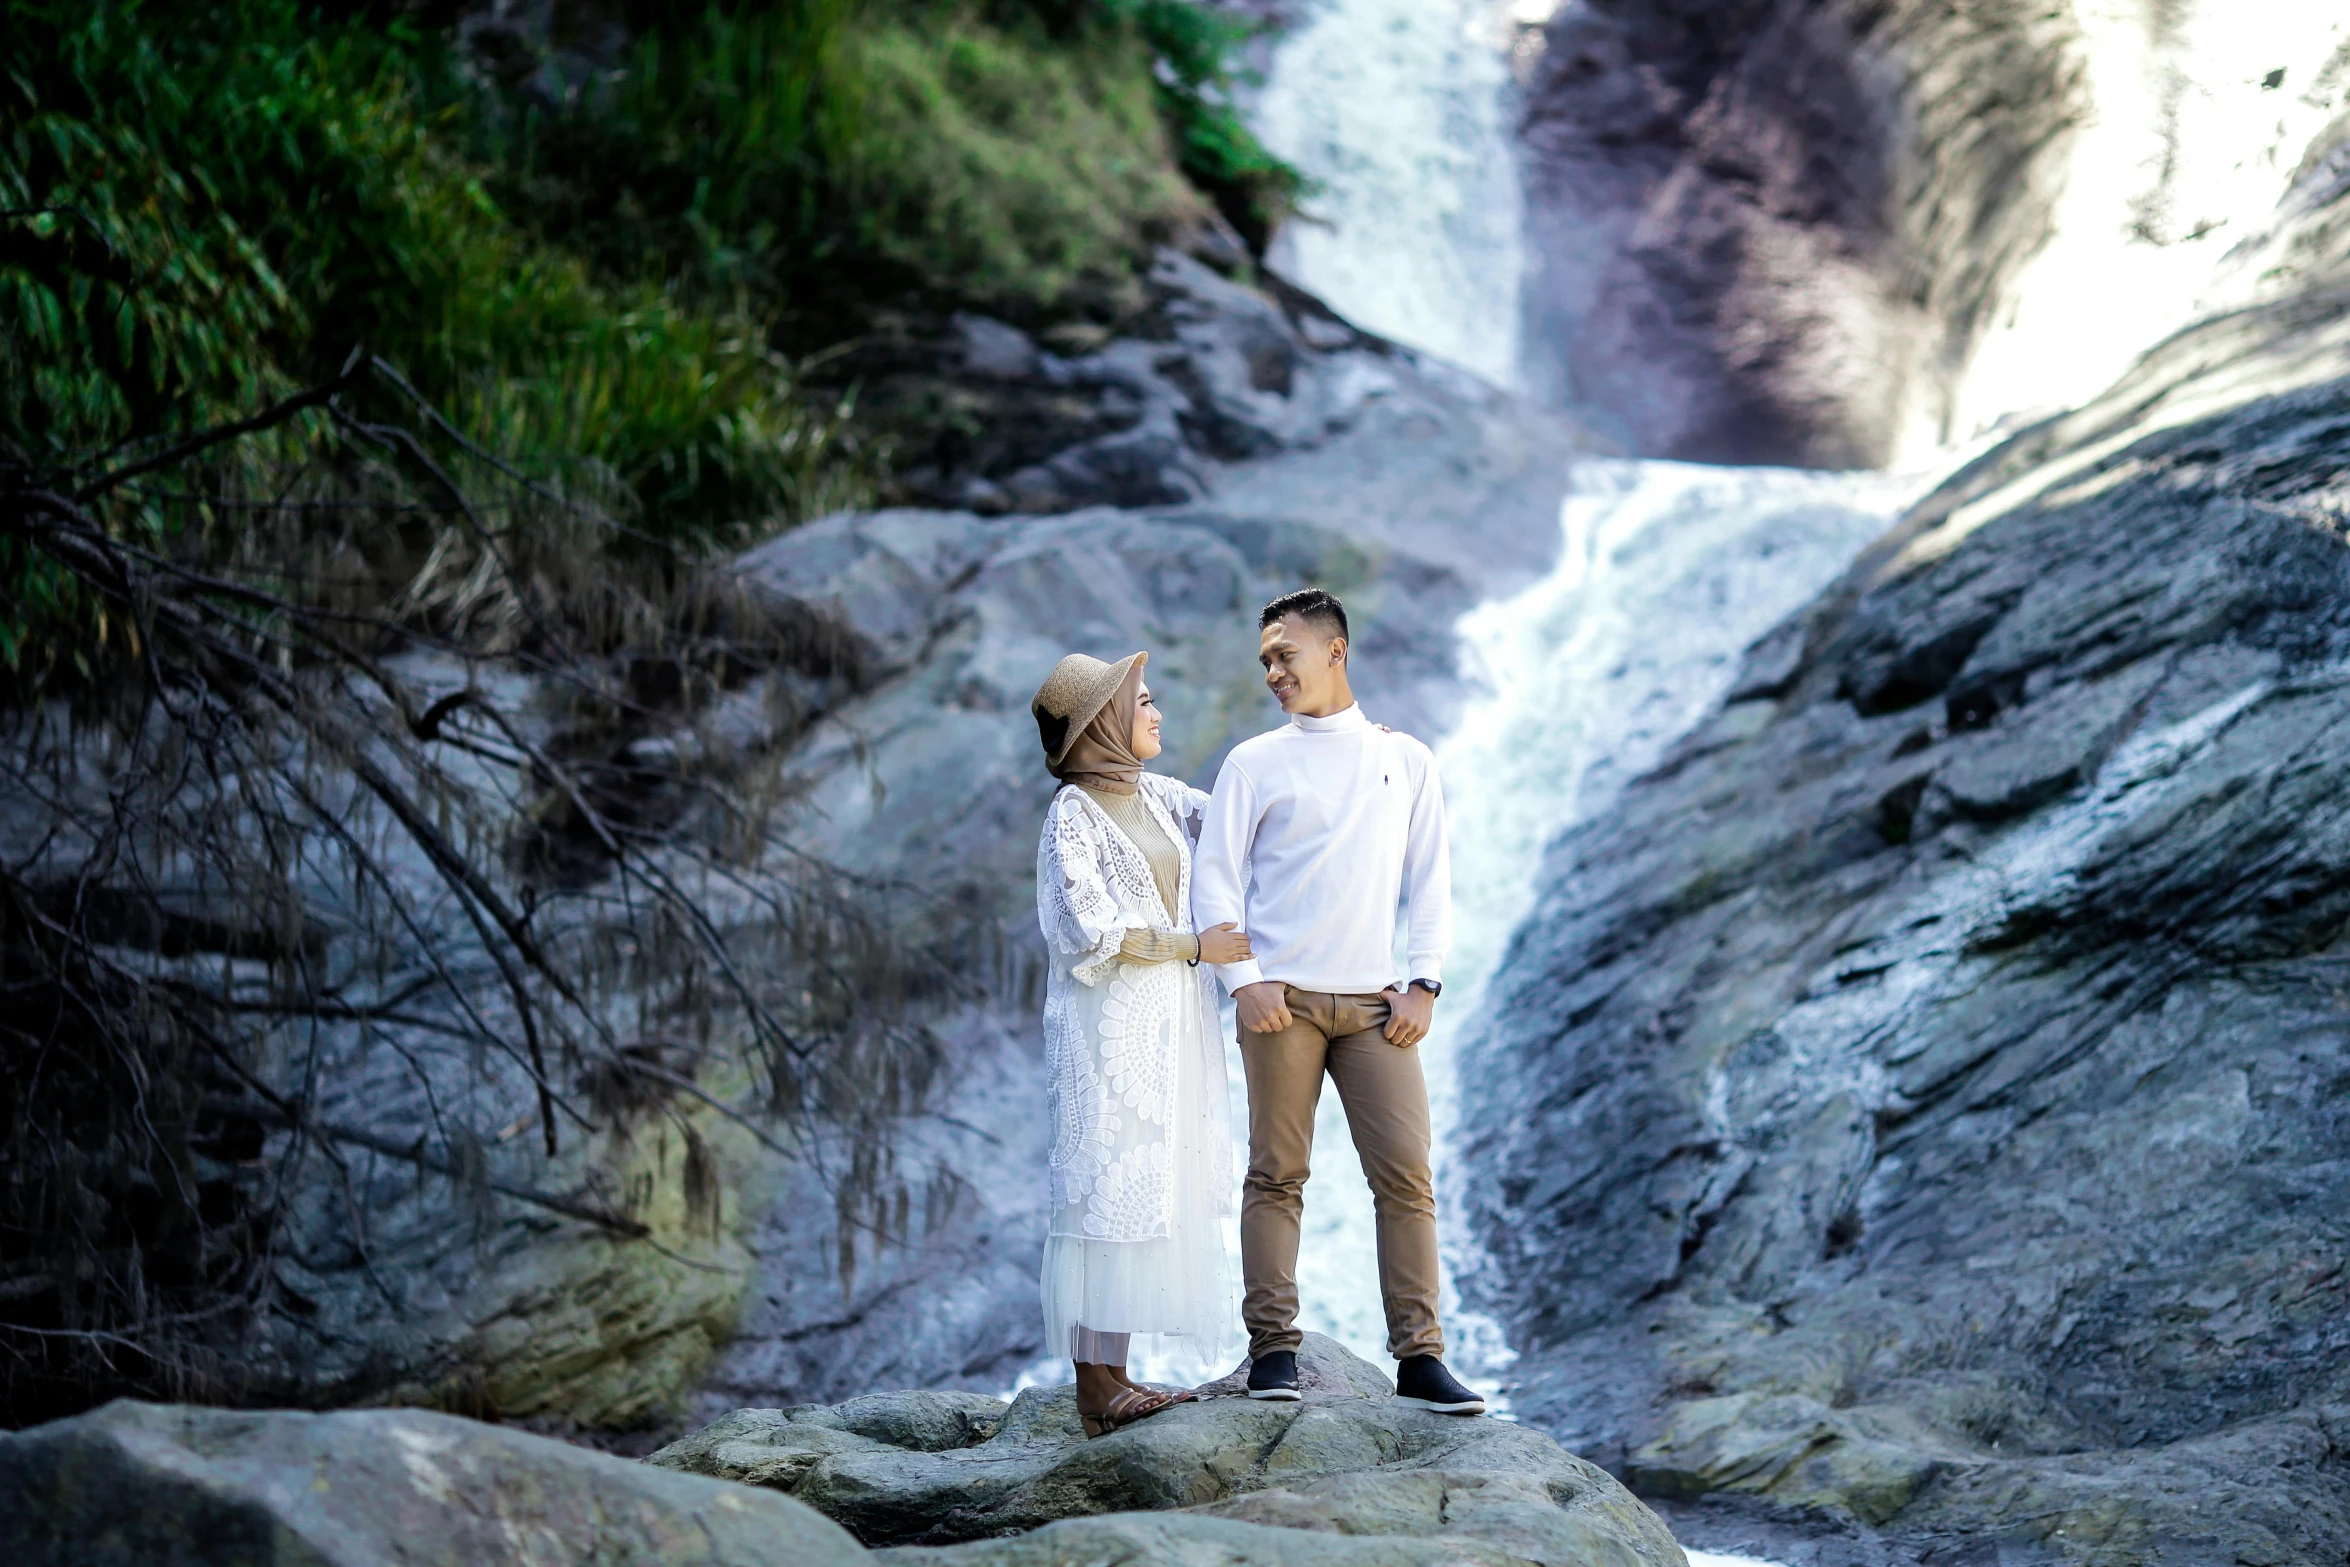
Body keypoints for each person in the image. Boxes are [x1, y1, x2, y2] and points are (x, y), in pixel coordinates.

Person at [1190, 588, 1486, 1415]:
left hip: (1374, 1009)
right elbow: (1215, 880)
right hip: (1280, 1003)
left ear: (1335, 651)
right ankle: (1273, 1350)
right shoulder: (1254, 761)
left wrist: (1424, 981)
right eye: (1265, 661)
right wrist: (1244, 985)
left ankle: (1421, 1359)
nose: (1274, 672)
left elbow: (1431, 877)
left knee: (1406, 1178)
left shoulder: (1408, 759)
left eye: (1284, 655)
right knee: (1277, 1175)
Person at [1031, 650, 1248, 1437]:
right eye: (1143, 702)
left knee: (1151, 1180)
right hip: (1107, 1028)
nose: (1157, 713)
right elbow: (1084, 925)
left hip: (1172, 1025)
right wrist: (1193, 945)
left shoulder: (1156, 796)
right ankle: (1095, 1385)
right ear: (1103, 725)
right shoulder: (1073, 815)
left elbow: (1239, 809)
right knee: (1107, 1178)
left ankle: (1115, 1372)